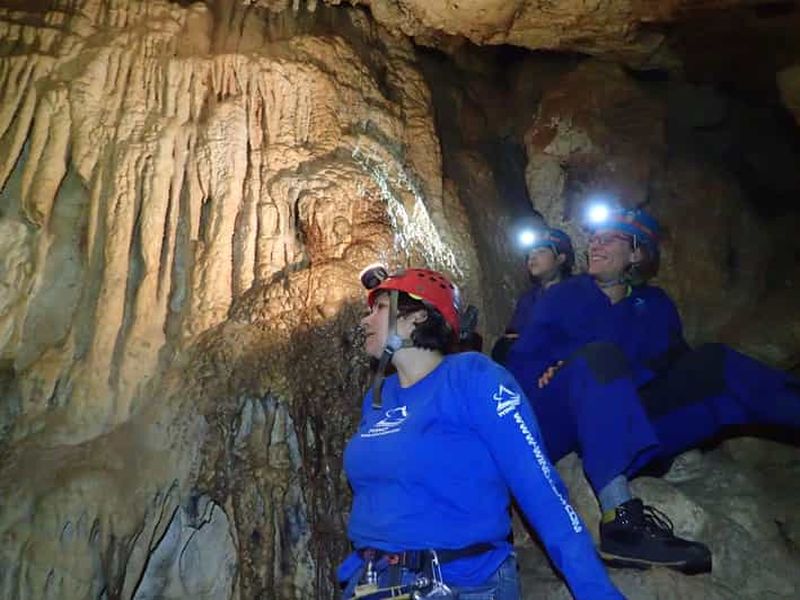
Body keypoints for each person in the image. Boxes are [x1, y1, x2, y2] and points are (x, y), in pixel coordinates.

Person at [506, 206, 800, 575]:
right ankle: (621, 523)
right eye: (593, 238)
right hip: (556, 414)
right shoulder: (564, 296)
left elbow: (670, 367)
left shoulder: (655, 306)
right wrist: (550, 373)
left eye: (608, 238)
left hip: (623, 418)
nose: (595, 244)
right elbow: (521, 362)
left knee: (715, 362)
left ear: (637, 253)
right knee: (598, 358)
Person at [338, 266, 623, 599]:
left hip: (459, 582)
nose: (366, 321)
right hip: (371, 584)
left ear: (416, 317)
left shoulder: (473, 377)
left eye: (380, 308)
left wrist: (597, 592)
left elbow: (541, 490)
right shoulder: (377, 398)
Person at [491, 227, 575, 365]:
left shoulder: (578, 294)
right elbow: (513, 336)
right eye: (530, 252)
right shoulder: (528, 300)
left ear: (560, 258)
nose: (532, 256)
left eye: (541, 251)